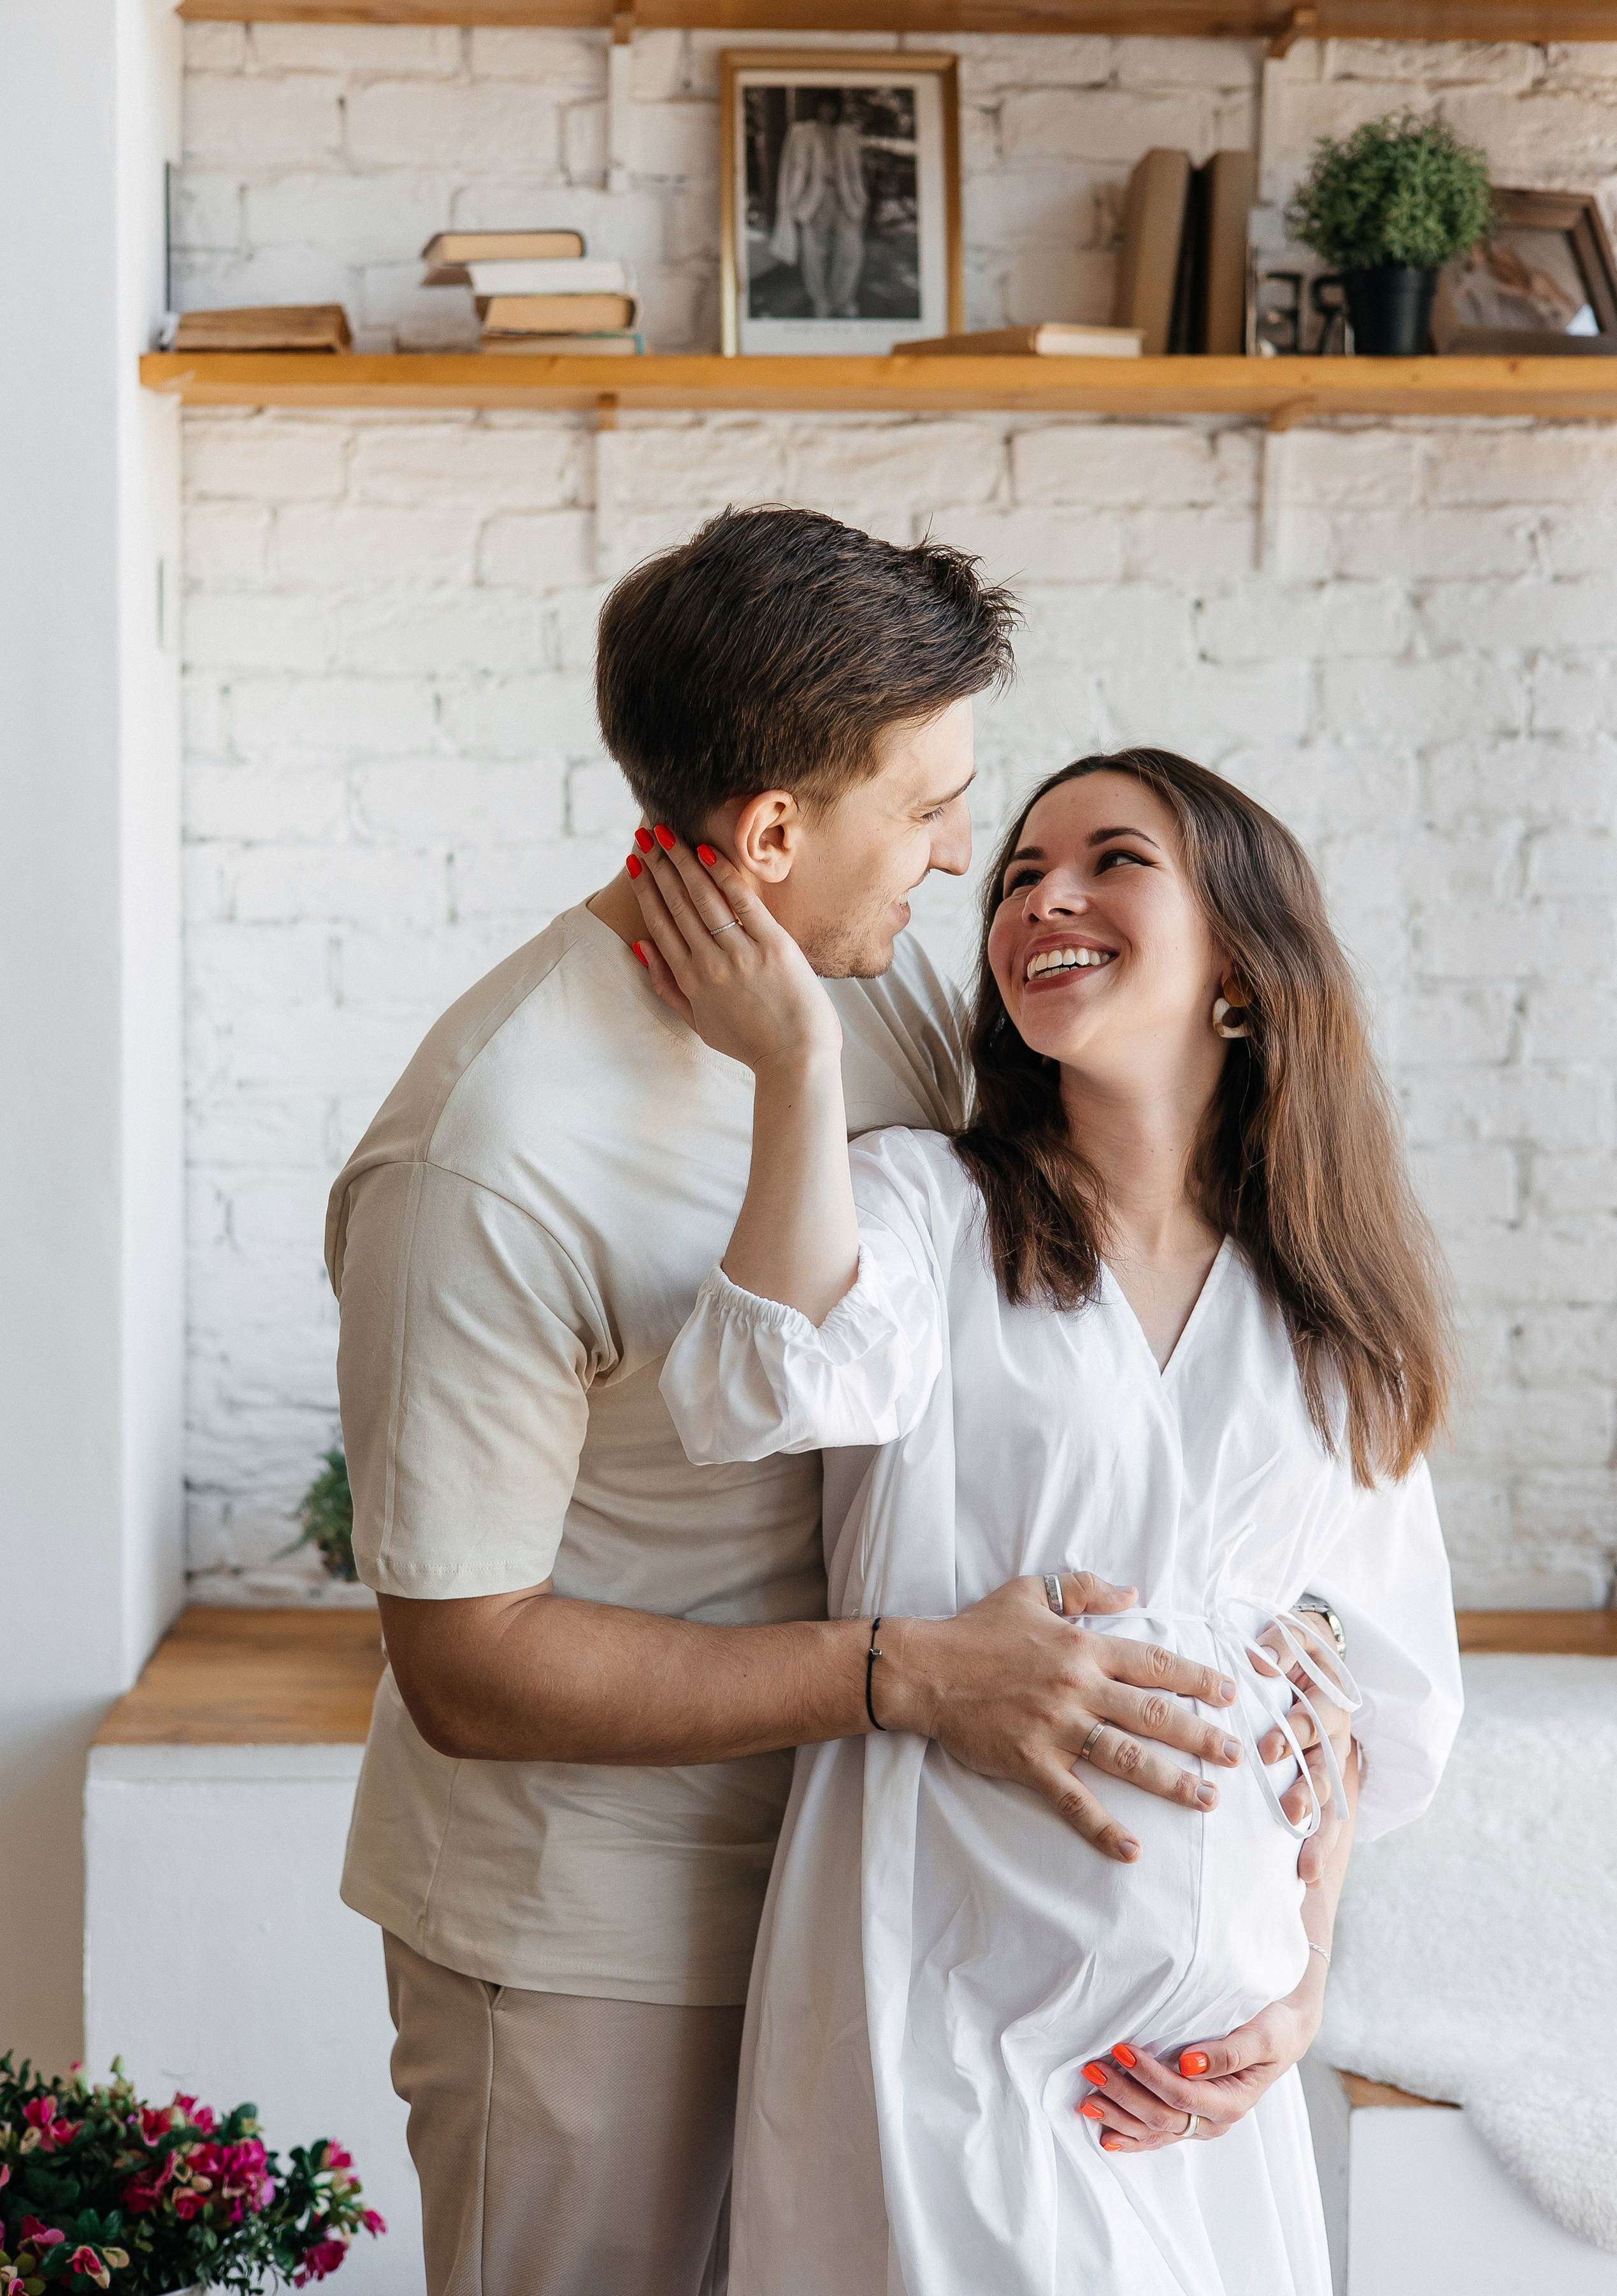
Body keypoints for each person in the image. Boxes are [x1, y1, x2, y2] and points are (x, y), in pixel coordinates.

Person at [324, 517, 1324, 2296]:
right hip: (597, 1935)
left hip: (886, 1892)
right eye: (932, 805)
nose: (966, 854)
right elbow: (464, 1665)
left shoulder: (886, 992)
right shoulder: (490, 1158)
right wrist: (907, 1676)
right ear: (776, 833)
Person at [638, 746, 1465, 2296]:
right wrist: (796, 1064)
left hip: (1197, 2090)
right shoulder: (922, 1207)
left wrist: (1297, 1983)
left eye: (1108, 860)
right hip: (942, 2004)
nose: (1039, 895)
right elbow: (754, 1386)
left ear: (1239, 962)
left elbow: (1377, 1695)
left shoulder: (1330, 1313)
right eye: (1016, 871)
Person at [769, 89, 869, 317]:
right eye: (824, 105)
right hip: (814, 201)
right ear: (817, 107)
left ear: (837, 109)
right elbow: (792, 168)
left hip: (845, 200)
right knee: (814, 254)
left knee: (851, 250)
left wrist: (861, 200)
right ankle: (820, 300)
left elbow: (857, 173)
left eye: (832, 106)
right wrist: (792, 202)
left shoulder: (847, 134)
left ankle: (843, 298)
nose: (827, 110)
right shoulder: (803, 133)